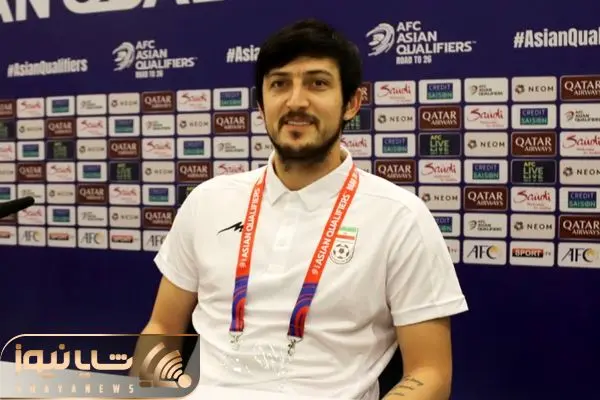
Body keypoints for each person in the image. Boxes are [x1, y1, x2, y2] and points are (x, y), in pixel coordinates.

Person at [141, 18, 468, 400]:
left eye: (317, 83)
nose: (296, 101)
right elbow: (161, 327)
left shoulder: (400, 217)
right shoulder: (207, 201)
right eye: (279, 84)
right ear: (261, 104)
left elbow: (430, 372)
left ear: (352, 103)